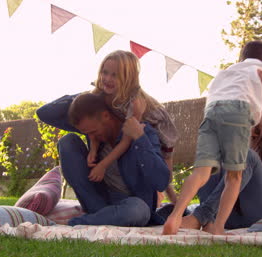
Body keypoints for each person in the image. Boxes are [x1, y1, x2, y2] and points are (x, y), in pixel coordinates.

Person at [162, 40, 262, 235]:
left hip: (260, 214)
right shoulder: (240, 121)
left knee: (243, 158)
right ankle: (203, 221)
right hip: (228, 214)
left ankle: (195, 217)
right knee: (213, 166)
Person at [36, 92, 170, 226]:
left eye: (93, 132)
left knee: (138, 210)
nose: (91, 137)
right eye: (87, 133)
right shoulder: (92, 128)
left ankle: (79, 222)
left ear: (106, 116)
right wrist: (96, 93)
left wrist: (140, 138)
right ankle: (102, 217)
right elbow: (44, 113)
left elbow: (162, 181)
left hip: (131, 204)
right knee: (67, 142)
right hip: (97, 200)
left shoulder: (141, 131)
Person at [88, 50, 179, 204]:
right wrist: (93, 149)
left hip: (158, 133)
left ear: (128, 79)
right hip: (134, 133)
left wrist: (103, 165)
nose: (108, 79)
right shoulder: (100, 96)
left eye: (115, 75)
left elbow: (127, 141)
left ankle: (175, 204)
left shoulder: (134, 102)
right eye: (105, 72)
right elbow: (93, 130)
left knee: (165, 177)